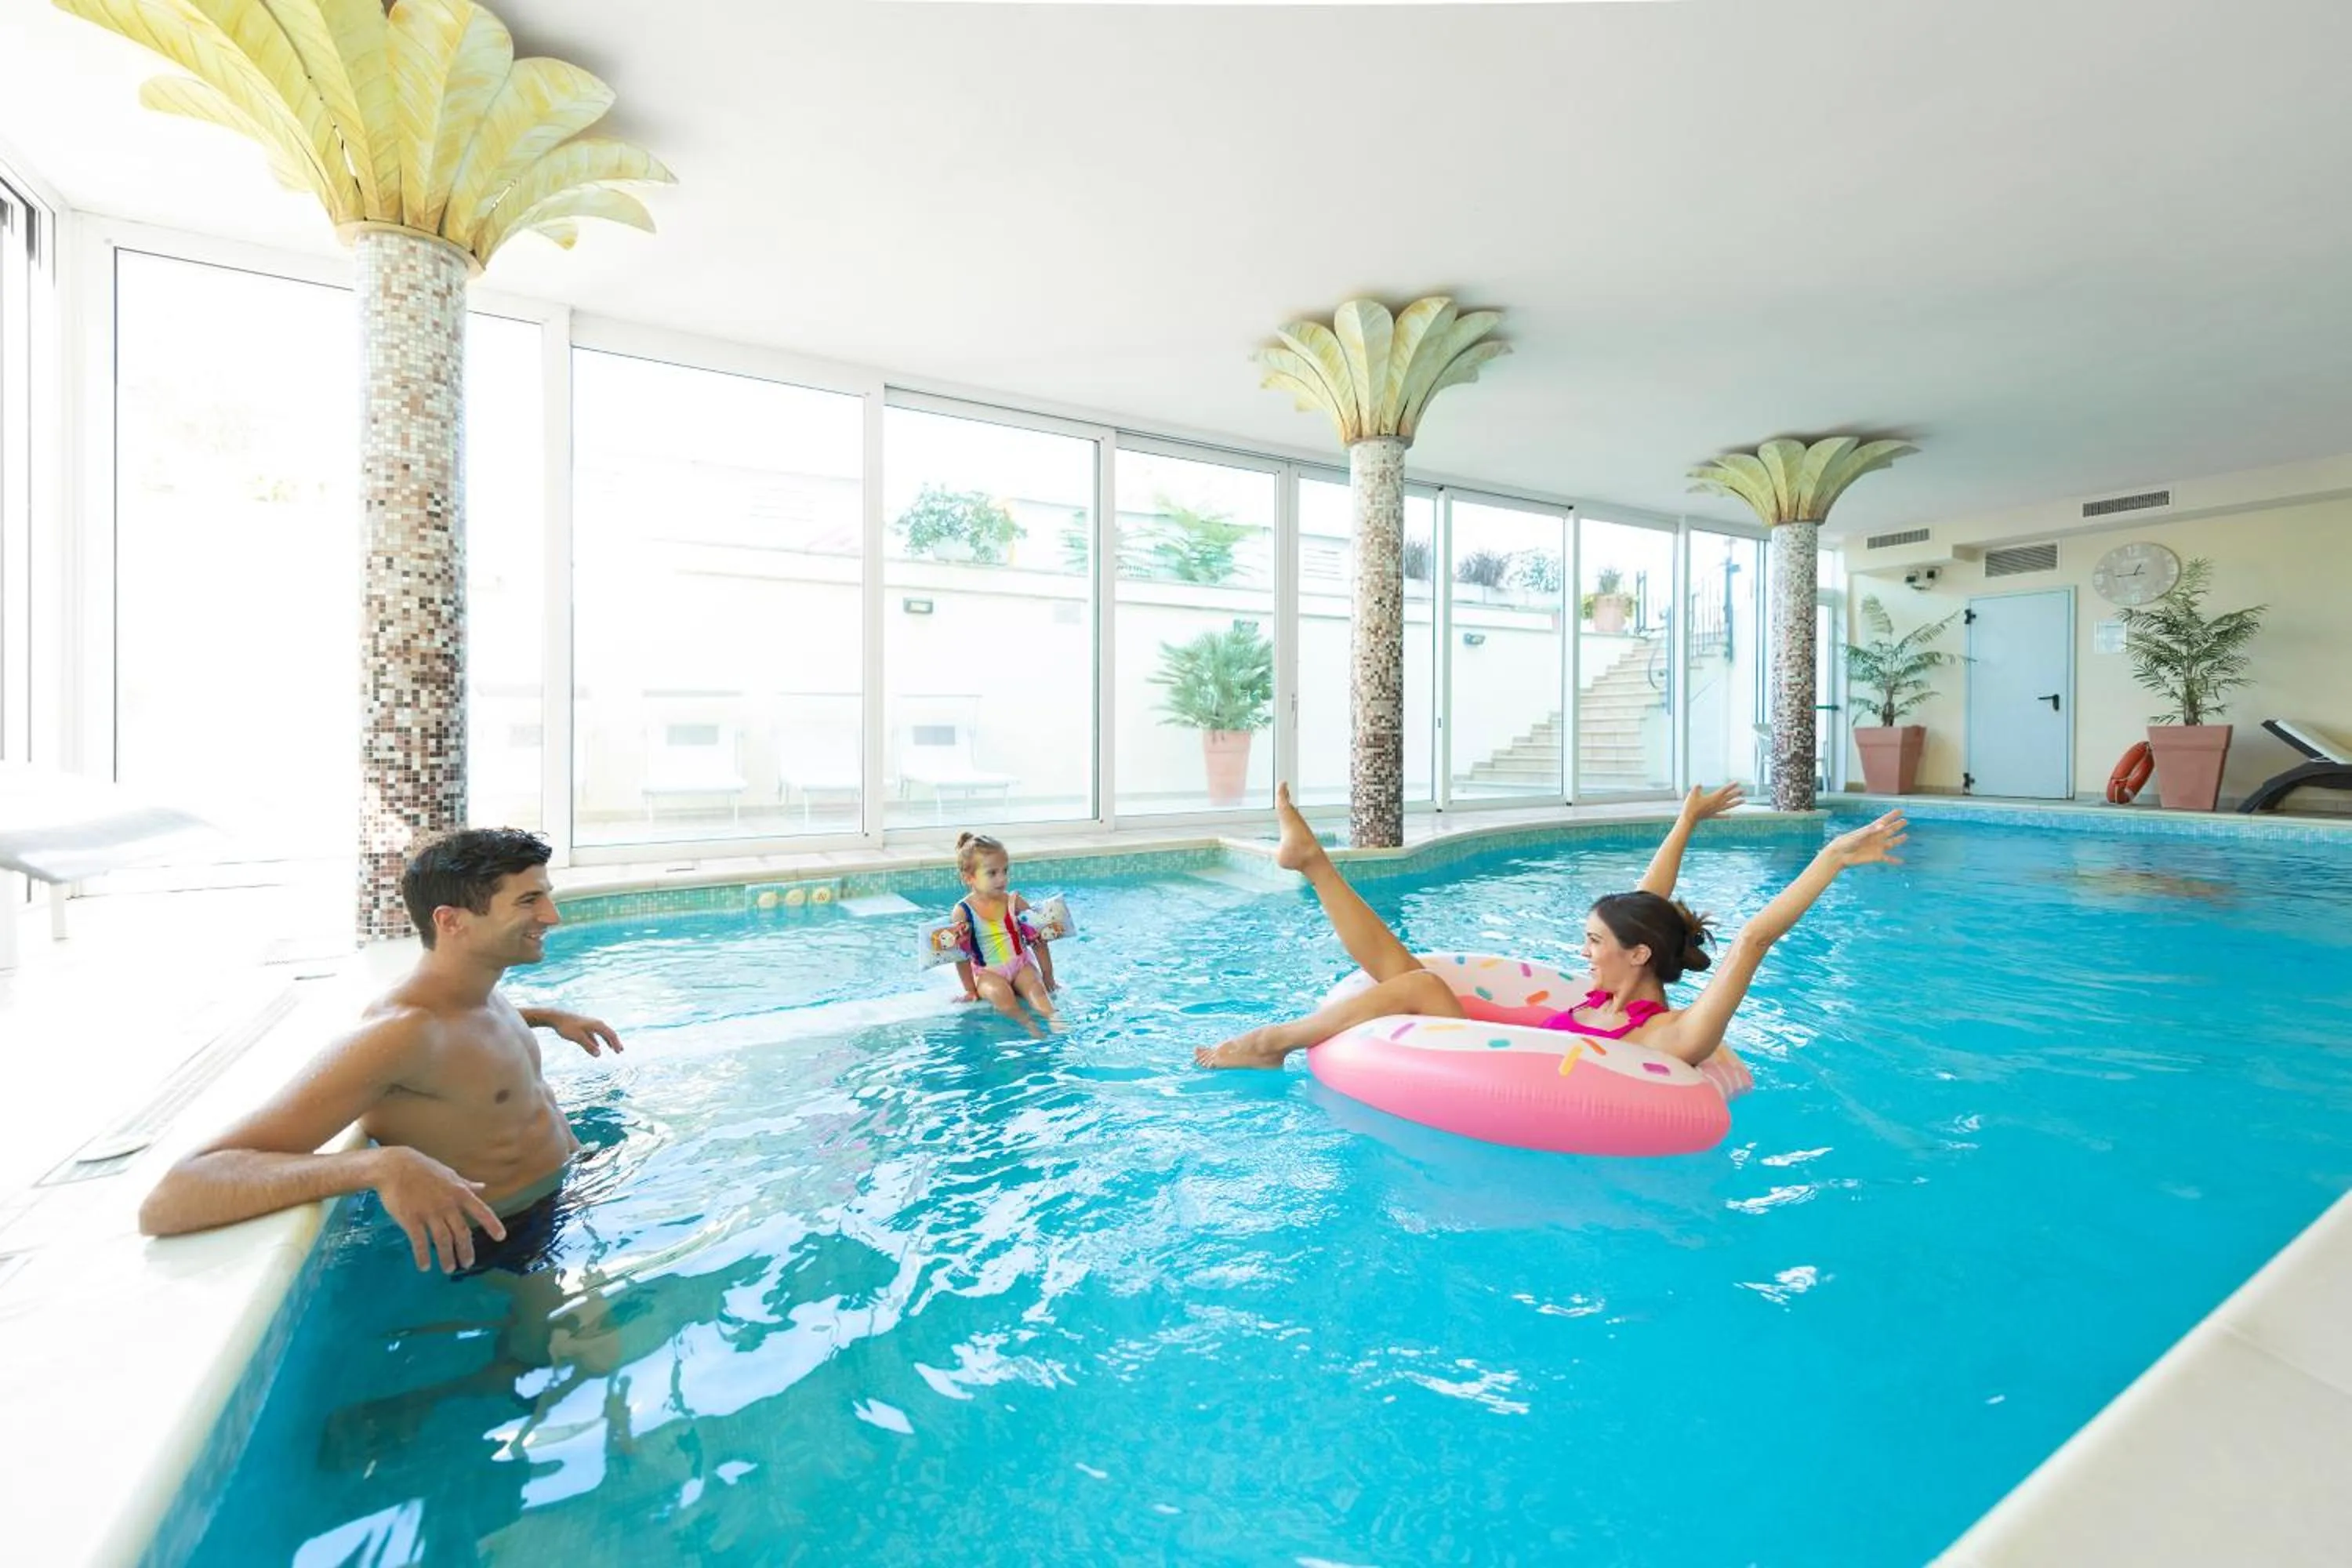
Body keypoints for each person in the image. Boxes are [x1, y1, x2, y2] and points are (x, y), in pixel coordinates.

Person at [138, 828, 624, 1275]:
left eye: (546, 896)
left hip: (565, 1195)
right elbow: (174, 1195)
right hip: (506, 1244)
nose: (552, 916)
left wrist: (547, 1017)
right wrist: (378, 1166)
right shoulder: (398, 1035)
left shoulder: (477, 994)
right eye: (529, 901)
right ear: (451, 921)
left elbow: (465, 1035)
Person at [1195, 782, 1907, 1073]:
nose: (1582, 952)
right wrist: (1686, 821)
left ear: (1638, 955)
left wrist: (1831, 858)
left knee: (1419, 985)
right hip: (1486, 1038)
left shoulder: (1674, 1035)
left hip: (1500, 1072)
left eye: (1594, 942)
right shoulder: (1607, 992)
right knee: (1411, 974)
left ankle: (1273, 1041)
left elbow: (1753, 939)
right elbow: (1648, 901)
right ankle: (1313, 862)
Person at [946, 831, 1060, 1034]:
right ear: (969, 878)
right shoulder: (963, 911)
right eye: (992, 873)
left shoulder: (1015, 902)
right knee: (1002, 998)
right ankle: (1028, 1025)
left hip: (1020, 965)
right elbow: (961, 956)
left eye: (1005, 871)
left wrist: (1048, 975)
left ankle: (1054, 1018)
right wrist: (970, 990)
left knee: (1037, 991)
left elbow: (1038, 941)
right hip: (988, 972)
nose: (1002, 878)